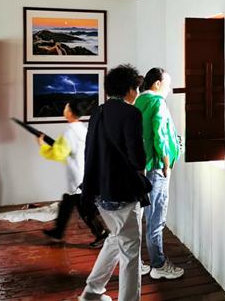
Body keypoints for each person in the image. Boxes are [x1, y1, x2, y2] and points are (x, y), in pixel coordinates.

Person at [79, 64, 149, 301]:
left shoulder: (98, 112)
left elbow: (89, 152)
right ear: (129, 89)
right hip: (122, 192)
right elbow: (137, 159)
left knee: (115, 239)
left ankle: (92, 291)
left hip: (99, 191)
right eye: (136, 88)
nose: (137, 93)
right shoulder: (131, 114)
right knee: (130, 250)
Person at [38, 98, 108, 248]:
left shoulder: (70, 132)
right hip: (82, 172)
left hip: (77, 177)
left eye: (65, 108)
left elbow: (60, 153)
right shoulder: (82, 129)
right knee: (68, 203)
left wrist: (42, 146)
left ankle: (102, 234)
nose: (64, 110)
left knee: (85, 209)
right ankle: (58, 232)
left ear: (69, 112)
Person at [134, 68, 184, 280]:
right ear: (157, 83)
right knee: (156, 218)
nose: (169, 89)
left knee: (139, 217)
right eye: (167, 84)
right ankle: (159, 264)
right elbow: (160, 135)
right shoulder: (157, 102)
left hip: (140, 167)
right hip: (156, 167)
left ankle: (136, 264)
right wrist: (166, 163)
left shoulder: (138, 101)